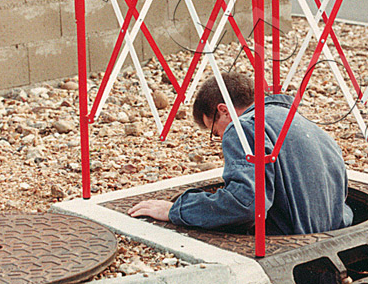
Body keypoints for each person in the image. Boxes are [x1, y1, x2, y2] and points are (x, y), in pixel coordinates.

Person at [128, 72, 353, 235]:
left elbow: (246, 204)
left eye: (215, 131)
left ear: (223, 110)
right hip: (335, 235)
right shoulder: (300, 121)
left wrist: (177, 210)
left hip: (293, 244)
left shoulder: (243, 127)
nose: (220, 138)